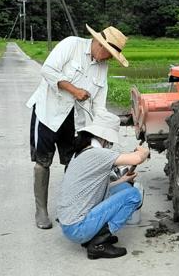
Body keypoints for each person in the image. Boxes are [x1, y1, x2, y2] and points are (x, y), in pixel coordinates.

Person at [26, 24, 129, 229]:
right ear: (99, 43)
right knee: (42, 162)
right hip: (48, 112)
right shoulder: (71, 45)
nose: (107, 59)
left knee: (73, 163)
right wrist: (74, 90)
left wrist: (111, 125)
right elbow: (47, 70)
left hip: (75, 120)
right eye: (107, 54)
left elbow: (99, 104)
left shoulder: (102, 67)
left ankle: (68, 208)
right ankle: (41, 211)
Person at [57, 111, 149, 259]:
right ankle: (98, 243)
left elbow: (96, 187)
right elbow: (136, 159)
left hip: (70, 224)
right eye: (110, 142)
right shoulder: (97, 154)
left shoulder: (83, 151)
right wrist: (143, 151)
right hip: (77, 228)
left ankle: (95, 234)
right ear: (104, 138)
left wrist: (123, 179)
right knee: (133, 195)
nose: (110, 145)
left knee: (124, 188)